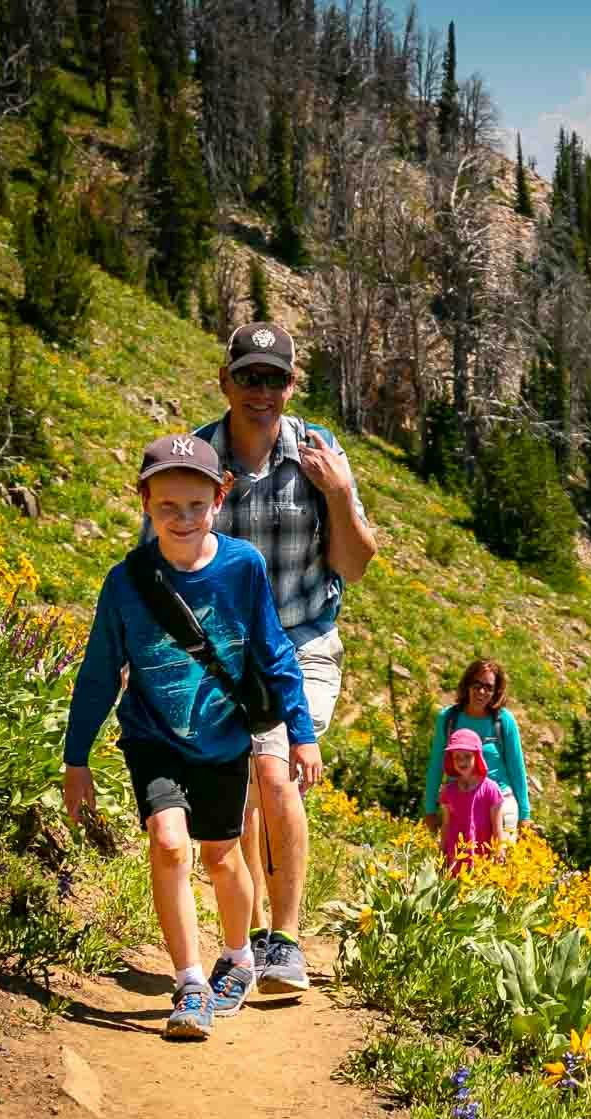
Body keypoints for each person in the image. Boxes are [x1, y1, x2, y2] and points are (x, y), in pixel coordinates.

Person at [63, 434, 322, 1040]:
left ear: (219, 498)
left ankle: (236, 955)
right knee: (170, 843)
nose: (181, 519)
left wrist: (301, 733)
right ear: (145, 503)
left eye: (195, 506)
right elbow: (99, 673)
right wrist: (77, 759)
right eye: (166, 507)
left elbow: (274, 652)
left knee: (222, 856)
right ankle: (189, 982)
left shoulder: (242, 567)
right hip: (153, 735)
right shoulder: (125, 583)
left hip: (224, 739)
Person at [164, 322, 377, 998]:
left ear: (292, 386)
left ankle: (284, 938)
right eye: (249, 376)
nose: (262, 391)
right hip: (227, 652)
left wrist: (339, 493)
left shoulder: (320, 453)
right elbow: (164, 562)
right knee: (248, 783)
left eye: (274, 378)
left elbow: (357, 564)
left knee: (275, 766)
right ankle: (253, 934)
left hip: (305, 639)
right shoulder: (196, 457)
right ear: (224, 380)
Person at [422, 660, 530, 840]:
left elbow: (517, 769)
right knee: (458, 863)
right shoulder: (449, 719)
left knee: (500, 862)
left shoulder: (503, 721)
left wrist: (525, 815)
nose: (481, 692)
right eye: (477, 685)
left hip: (501, 802)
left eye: (488, 687)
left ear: (496, 692)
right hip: (459, 802)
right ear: (467, 685)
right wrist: (430, 810)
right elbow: (436, 765)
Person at [436, 728, 503, 876]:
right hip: (455, 859)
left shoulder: (491, 789)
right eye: (456, 757)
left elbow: (497, 828)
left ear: (477, 757)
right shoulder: (448, 791)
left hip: (482, 860)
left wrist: (498, 853)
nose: (461, 761)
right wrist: (441, 851)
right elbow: (446, 824)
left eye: (467, 756)